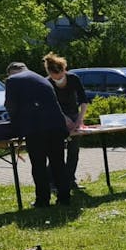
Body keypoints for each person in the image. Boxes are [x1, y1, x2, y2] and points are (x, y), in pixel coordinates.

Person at [4, 62, 71, 207]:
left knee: (39, 165)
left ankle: (42, 200)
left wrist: (14, 127)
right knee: (58, 163)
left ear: (11, 72)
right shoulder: (41, 78)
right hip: (56, 126)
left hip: (36, 129)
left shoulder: (13, 80)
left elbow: (11, 105)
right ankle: (64, 197)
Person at [43, 53, 87, 190]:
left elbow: (83, 100)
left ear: (64, 70)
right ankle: (52, 182)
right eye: (56, 78)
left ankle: (70, 179)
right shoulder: (47, 83)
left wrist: (79, 120)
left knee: (74, 150)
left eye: (61, 76)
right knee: (56, 151)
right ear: (49, 73)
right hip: (56, 118)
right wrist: (64, 119)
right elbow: (51, 105)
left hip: (74, 116)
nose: (59, 80)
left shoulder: (74, 79)